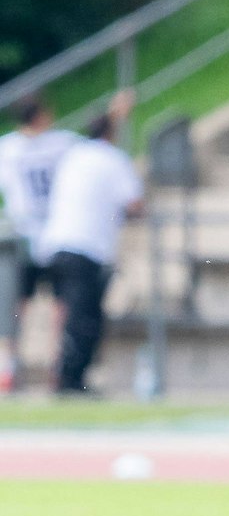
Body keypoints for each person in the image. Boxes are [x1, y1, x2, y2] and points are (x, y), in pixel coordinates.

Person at [0, 91, 129, 392]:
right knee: (62, 305)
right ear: (42, 115)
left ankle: (9, 366)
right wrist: (115, 114)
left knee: (18, 305)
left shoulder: (7, 148)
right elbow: (95, 144)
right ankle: (58, 365)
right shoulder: (61, 144)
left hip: (24, 235)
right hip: (55, 234)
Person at [39, 111, 144, 396]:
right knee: (85, 318)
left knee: (67, 312)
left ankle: (62, 372)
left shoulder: (73, 155)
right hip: (86, 247)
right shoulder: (113, 159)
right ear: (111, 133)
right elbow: (134, 202)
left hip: (56, 243)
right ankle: (71, 379)